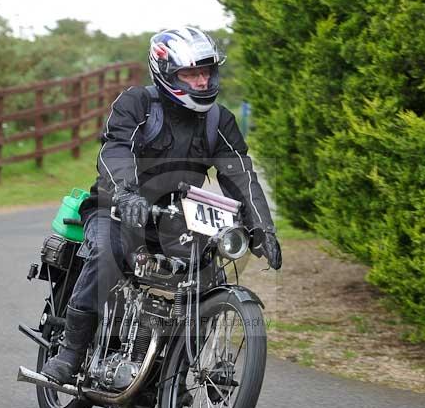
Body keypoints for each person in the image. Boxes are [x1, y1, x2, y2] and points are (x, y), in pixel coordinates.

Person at [42, 26, 282, 384]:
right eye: (191, 73)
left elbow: (240, 174)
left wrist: (262, 227)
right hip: (117, 207)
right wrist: (126, 192)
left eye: (206, 72)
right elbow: (115, 149)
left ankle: (176, 371)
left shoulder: (220, 121)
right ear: (167, 71)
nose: (202, 81)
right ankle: (71, 353)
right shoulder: (137, 103)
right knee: (107, 254)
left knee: (210, 275)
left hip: (176, 221)